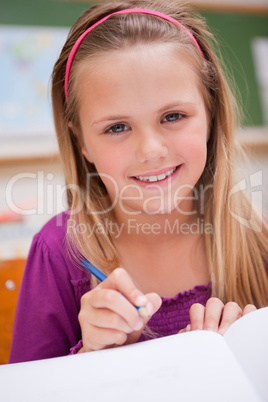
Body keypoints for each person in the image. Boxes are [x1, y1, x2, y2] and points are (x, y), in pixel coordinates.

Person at [9, 0, 268, 363]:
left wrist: (246, 352)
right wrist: (96, 356)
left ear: (210, 114)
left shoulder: (256, 238)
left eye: (173, 116)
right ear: (82, 141)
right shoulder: (59, 254)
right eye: (117, 127)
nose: (150, 150)